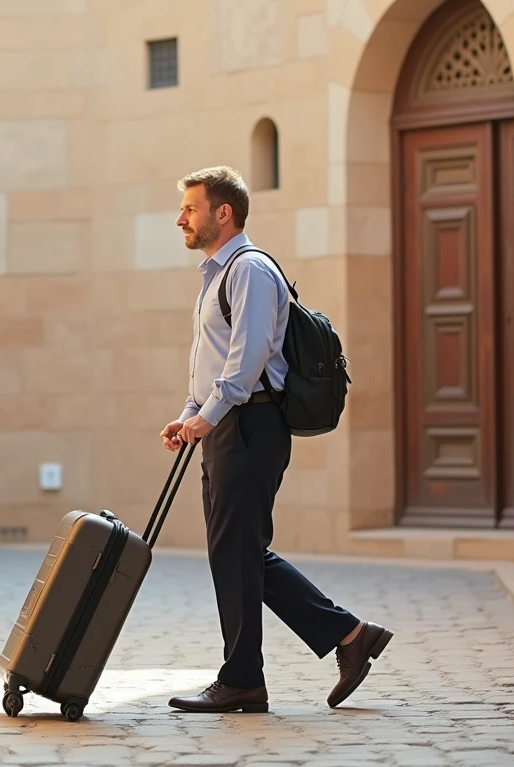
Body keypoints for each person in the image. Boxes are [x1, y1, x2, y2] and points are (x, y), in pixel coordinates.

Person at [160, 166, 392, 712]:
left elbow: (249, 357)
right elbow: (212, 363)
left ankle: (245, 678)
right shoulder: (216, 276)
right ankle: (350, 637)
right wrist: (191, 413)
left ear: (224, 213)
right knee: (236, 554)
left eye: (190, 208)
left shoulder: (250, 270)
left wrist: (209, 414)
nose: (181, 218)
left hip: (251, 425)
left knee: (238, 553)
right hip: (228, 425)